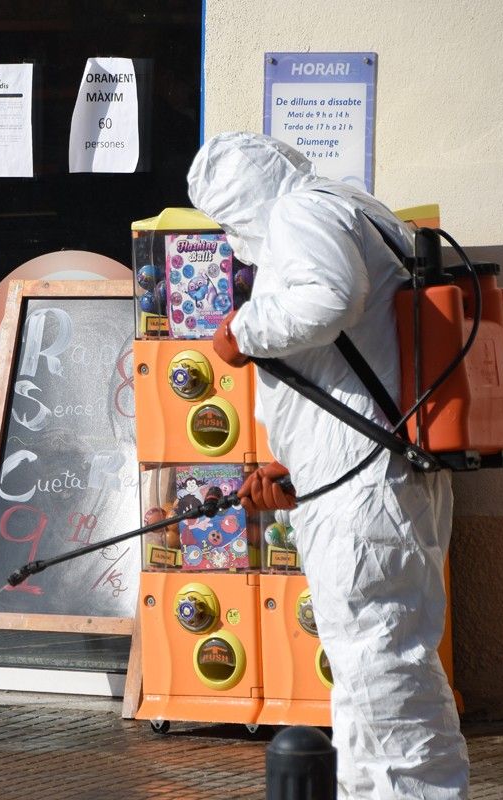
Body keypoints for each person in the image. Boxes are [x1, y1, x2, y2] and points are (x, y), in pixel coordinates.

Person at [187, 131, 469, 799]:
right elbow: (358, 356)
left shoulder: (297, 213)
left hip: (365, 488)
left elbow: (327, 301)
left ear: (238, 203)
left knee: (381, 668)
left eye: (228, 223)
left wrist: (239, 334)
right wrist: (297, 470)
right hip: (375, 472)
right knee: (377, 669)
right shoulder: (353, 205)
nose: (232, 242)